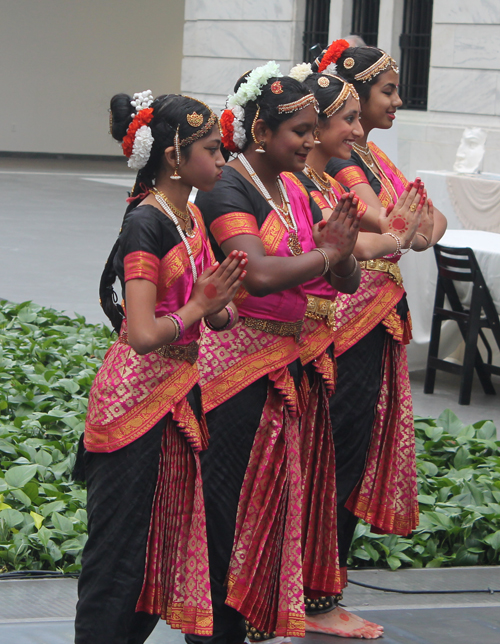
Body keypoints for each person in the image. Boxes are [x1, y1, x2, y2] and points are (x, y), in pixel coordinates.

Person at [190, 62, 363, 644]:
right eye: (300, 132)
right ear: (261, 131)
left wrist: (338, 254)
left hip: (281, 370)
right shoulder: (227, 187)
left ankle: (241, 626)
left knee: (262, 510)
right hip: (232, 376)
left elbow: (345, 279)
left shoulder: (293, 188)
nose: (312, 142)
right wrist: (327, 255)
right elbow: (258, 275)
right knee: (226, 510)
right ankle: (212, 632)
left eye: (315, 129)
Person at [74, 91, 248, 644]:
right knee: (119, 555)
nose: (223, 160)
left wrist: (220, 303)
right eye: (212, 150)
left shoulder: (190, 214)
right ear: (174, 156)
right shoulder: (146, 223)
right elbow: (145, 332)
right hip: (135, 404)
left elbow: (216, 313)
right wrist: (202, 305)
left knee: (160, 549)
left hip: (177, 399)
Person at [297, 41, 447, 639]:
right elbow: (394, 225)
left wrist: (407, 227)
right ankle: (317, 596)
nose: (396, 102)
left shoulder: (370, 154)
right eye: (383, 93)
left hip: (375, 323)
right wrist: (403, 228)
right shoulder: (341, 163)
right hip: (348, 326)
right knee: (336, 455)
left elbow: (429, 225)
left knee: (348, 454)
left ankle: (319, 590)